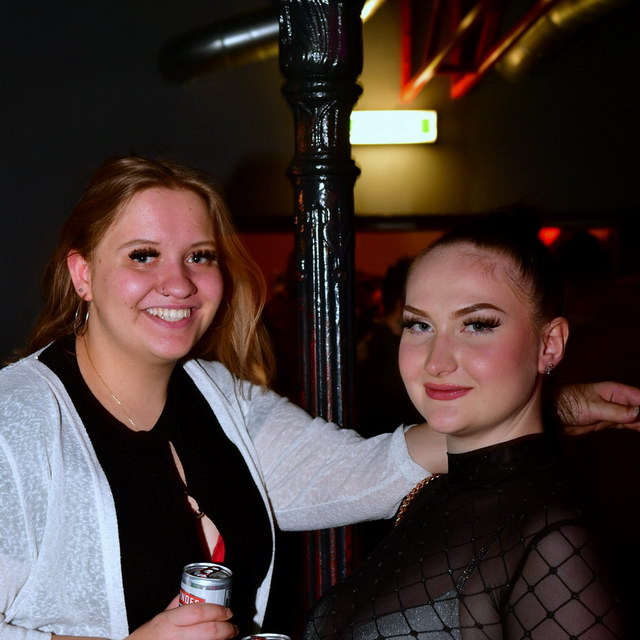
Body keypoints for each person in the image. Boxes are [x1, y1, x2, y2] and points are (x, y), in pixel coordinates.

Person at [0, 158, 637, 640]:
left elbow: (365, 471)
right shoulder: (17, 420)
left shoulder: (218, 398)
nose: (179, 282)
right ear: (83, 273)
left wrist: (545, 405)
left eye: (199, 256)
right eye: (143, 255)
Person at [304, 213, 631, 639]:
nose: (437, 361)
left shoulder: (553, 536)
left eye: (477, 325)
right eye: (419, 325)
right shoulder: (429, 493)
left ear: (549, 344)